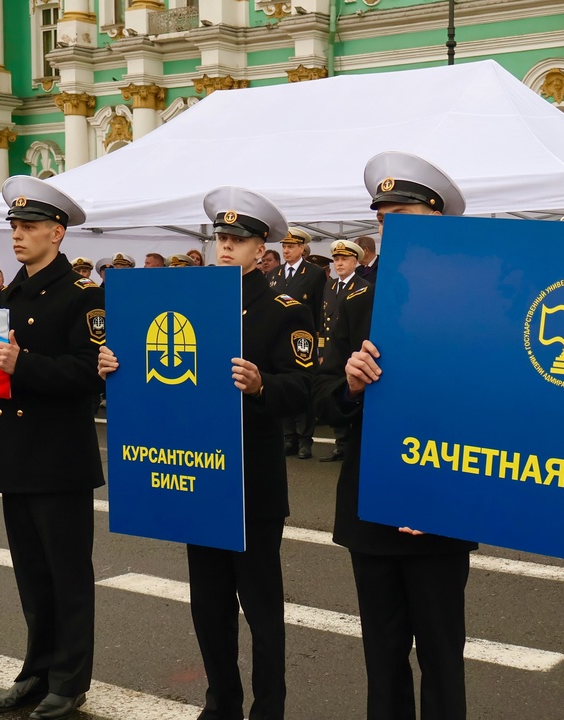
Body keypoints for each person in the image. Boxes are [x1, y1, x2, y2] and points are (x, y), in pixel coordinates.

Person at [99, 187, 314, 720]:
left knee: (260, 607)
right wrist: (114, 366)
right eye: (220, 237)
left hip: (249, 481)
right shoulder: (188, 299)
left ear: (261, 246)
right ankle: (222, 700)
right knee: (208, 604)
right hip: (197, 474)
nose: (225, 246)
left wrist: (264, 385)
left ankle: (269, 707)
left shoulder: (284, 309)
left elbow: (306, 389)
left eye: (237, 239)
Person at [313, 151, 477, 720]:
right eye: (382, 216)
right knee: (382, 655)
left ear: (437, 216)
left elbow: (486, 401)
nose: (388, 224)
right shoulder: (356, 297)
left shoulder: (471, 296)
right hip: (374, 505)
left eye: (401, 212)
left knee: (441, 654)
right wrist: (350, 387)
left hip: (441, 502)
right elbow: (323, 396)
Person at [0, 176, 105, 720]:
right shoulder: (10, 292)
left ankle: (70, 679)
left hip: (59, 455)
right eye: (14, 227)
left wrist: (24, 364)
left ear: (57, 234)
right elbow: (0, 378)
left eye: (28, 227)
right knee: (32, 575)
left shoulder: (84, 295)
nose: (17, 236)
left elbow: (91, 375)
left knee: (66, 575)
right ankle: (36, 671)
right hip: (16, 450)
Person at [268, 227, 325, 459]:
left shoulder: (314, 273)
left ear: (302, 248)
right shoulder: (274, 274)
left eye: (291, 246)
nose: (286, 250)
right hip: (278, 339)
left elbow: (321, 309)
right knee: (281, 387)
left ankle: (305, 440)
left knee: (303, 388)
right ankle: (288, 437)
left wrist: (320, 344)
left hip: (303, 341)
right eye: (284, 246)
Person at [317, 239, 369, 463]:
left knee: (350, 392)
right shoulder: (330, 285)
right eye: (336, 259)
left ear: (355, 262)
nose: (339, 264)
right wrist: (321, 351)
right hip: (331, 348)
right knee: (334, 391)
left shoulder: (362, 287)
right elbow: (323, 320)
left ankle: (349, 444)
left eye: (344, 259)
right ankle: (340, 443)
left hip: (351, 350)